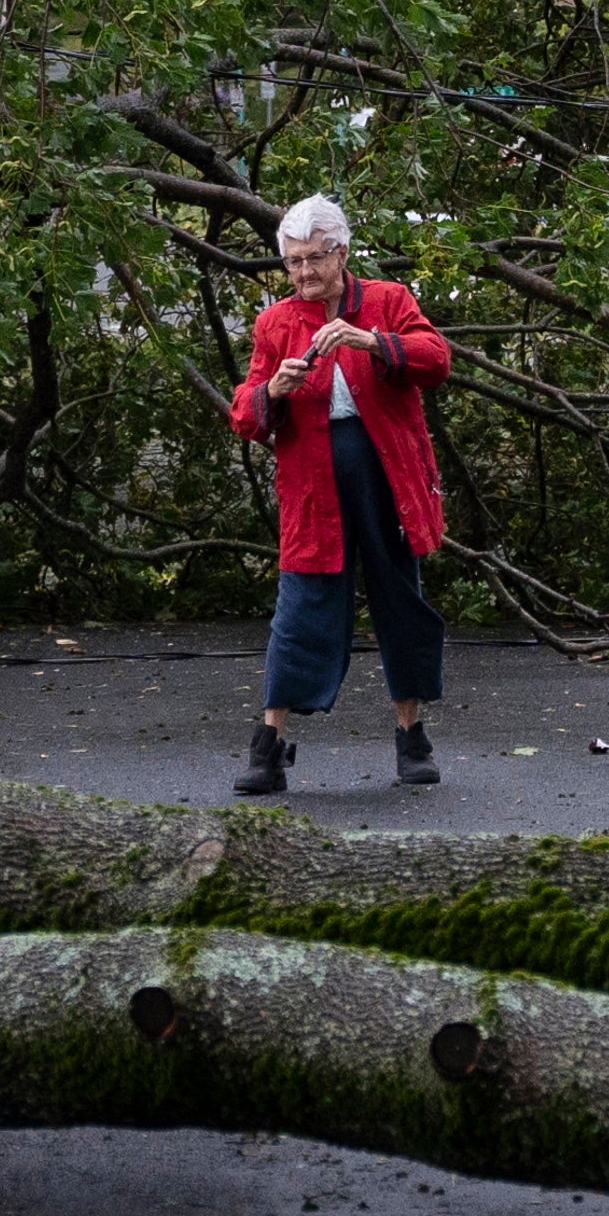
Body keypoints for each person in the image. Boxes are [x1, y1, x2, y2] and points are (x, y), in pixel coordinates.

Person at [229, 195, 452, 795]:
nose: (304, 274)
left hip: (388, 476)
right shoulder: (275, 322)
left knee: (398, 597)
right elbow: (245, 414)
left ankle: (412, 739)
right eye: (293, 262)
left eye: (315, 259)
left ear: (343, 252)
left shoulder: (387, 300)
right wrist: (271, 390)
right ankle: (270, 746)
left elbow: (436, 359)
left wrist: (373, 341)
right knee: (301, 604)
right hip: (312, 484)